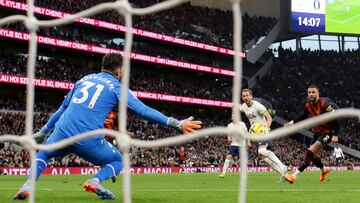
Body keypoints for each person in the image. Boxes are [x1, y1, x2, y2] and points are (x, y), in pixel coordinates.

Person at [13, 53, 202, 200]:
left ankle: (28, 186)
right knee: (118, 161)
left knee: (44, 153)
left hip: (62, 132)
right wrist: (176, 123)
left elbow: (62, 109)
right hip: (88, 139)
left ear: (103, 66)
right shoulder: (116, 87)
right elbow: (143, 110)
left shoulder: (83, 80)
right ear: (119, 70)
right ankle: (95, 180)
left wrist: (43, 132)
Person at [283, 85, 339, 184]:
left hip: (328, 133)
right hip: (317, 132)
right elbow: (302, 116)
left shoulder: (324, 104)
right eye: (309, 92)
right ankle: (324, 169)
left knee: (310, 152)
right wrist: (291, 123)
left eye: (313, 92)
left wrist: (335, 134)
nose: (311, 94)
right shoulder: (308, 104)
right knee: (312, 156)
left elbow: (336, 117)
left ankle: (293, 176)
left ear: (318, 93)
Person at [240, 89, 287, 179]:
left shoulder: (258, 106)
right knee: (263, 157)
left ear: (251, 96)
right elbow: (239, 108)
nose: (245, 97)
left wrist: (266, 129)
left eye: (247, 95)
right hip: (255, 133)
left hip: (263, 131)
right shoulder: (243, 107)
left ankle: (282, 166)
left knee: (261, 151)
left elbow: (269, 117)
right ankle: (283, 174)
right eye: (243, 96)